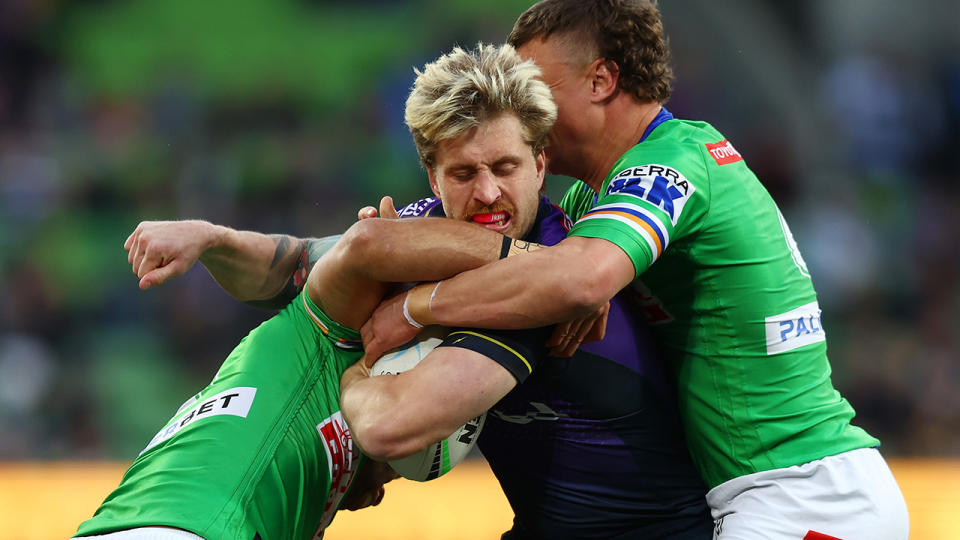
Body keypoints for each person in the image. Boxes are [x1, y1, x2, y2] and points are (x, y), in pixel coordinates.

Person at [358, 2, 910, 539]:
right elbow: (549, 269)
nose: (528, 109)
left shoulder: (669, 161)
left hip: (803, 493)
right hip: (756, 495)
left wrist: (415, 307)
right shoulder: (589, 201)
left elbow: (578, 278)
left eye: (537, 86)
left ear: (600, 80)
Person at [121, 44, 714, 539]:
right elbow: (293, 268)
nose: (486, 194)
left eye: (504, 168)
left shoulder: (546, 279)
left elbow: (392, 429)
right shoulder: (423, 228)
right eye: (463, 174)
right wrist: (211, 238)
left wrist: (364, 371)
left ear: (540, 163)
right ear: (432, 178)